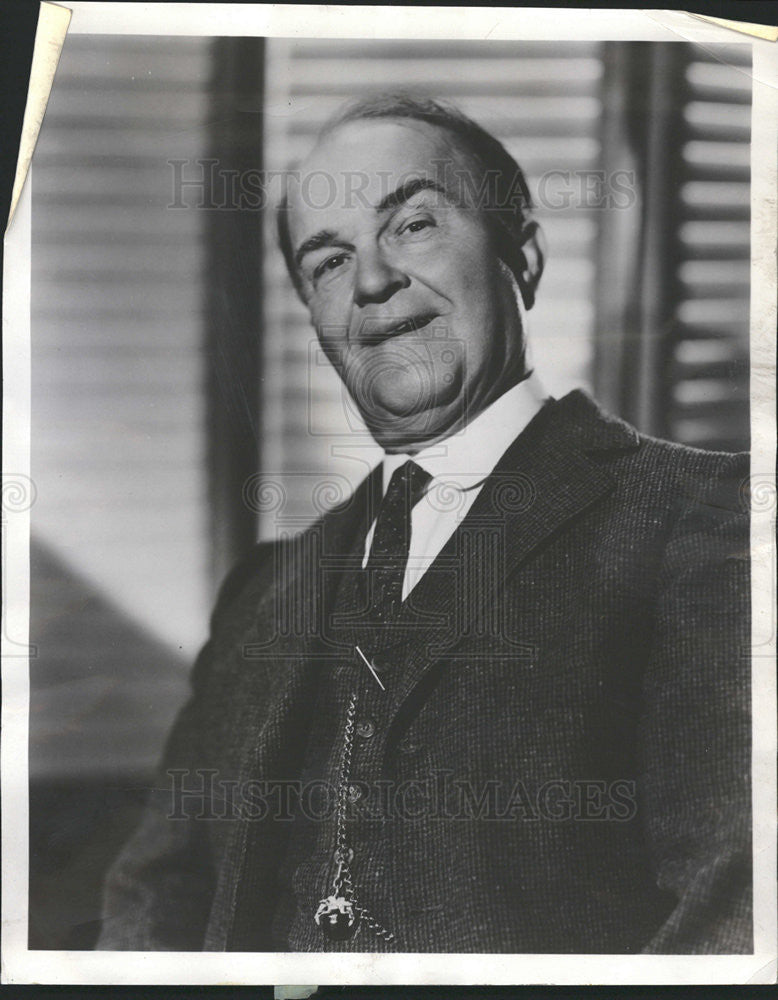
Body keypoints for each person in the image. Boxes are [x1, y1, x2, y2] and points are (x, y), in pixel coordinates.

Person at [97, 94, 751, 954]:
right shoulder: (267, 588)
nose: (370, 282)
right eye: (328, 262)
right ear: (320, 324)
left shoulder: (704, 521)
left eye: (411, 224)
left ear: (522, 255)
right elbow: (157, 895)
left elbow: (735, 906)